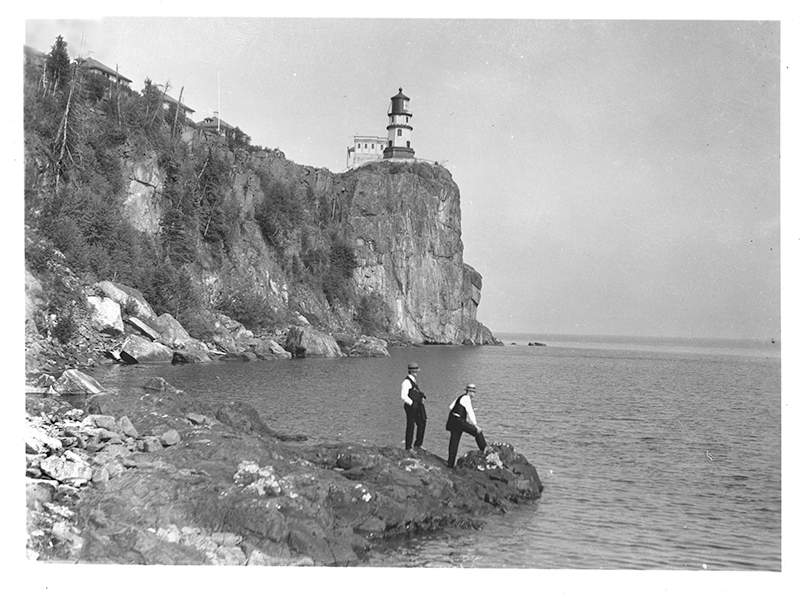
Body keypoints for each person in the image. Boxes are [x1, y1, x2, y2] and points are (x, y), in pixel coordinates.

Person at [446, 383, 487, 468]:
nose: (474, 394)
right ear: (469, 392)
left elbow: (451, 407)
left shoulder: (460, 397)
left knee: (454, 442)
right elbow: (470, 412)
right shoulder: (466, 399)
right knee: (478, 432)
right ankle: (485, 451)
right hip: (459, 422)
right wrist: (475, 425)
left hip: (453, 421)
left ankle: (450, 464)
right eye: (473, 392)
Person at [400, 362, 426, 450]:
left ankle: (418, 444)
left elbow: (414, 391)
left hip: (417, 405)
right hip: (410, 406)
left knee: (422, 422)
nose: (416, 373)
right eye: (415, 371)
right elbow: (403, 396)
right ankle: (408, 447)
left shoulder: (414, 380)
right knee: (410, 426)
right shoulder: (406, 382)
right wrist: (412, 403)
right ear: (411, 372)